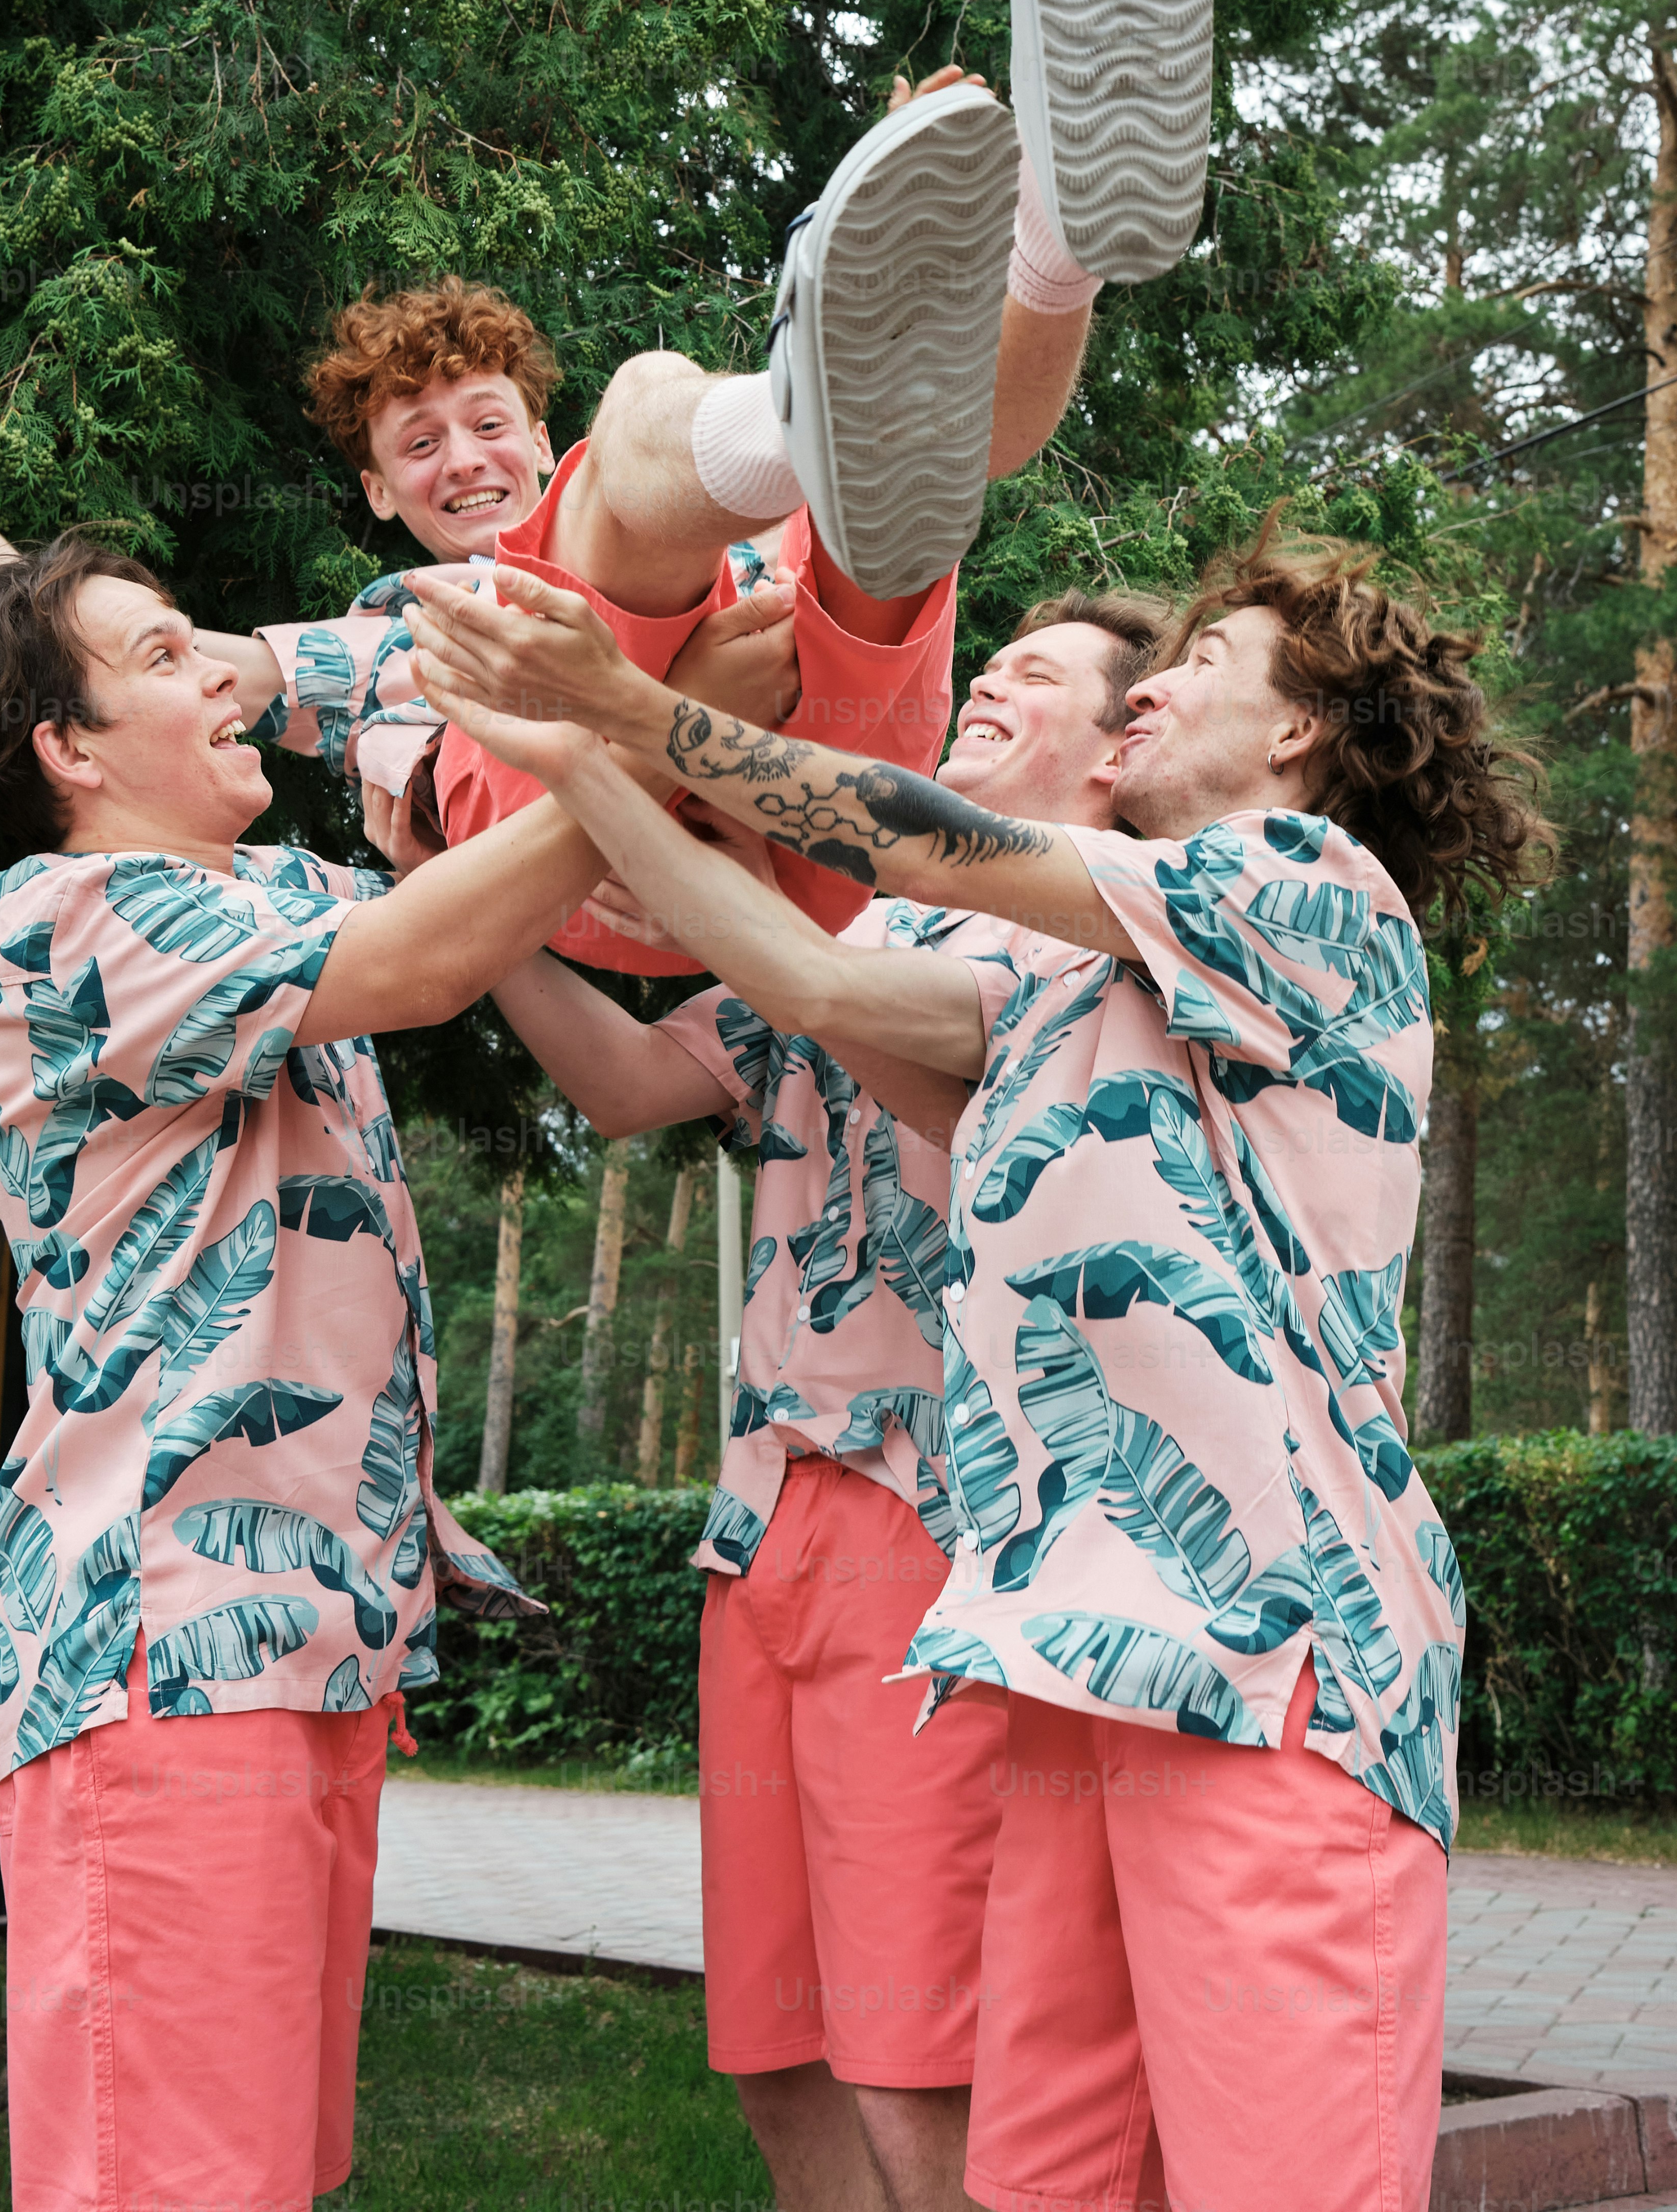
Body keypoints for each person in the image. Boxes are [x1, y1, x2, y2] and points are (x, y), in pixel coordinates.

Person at [395, 516, 1550, 2212]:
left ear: (1302, 734)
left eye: (1201, 666)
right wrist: (568, 756)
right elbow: (797, 972)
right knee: (1046, 2182)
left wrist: (643, 720)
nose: (1152, 686)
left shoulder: (1303, 886)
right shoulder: (1071, 997)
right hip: (1073, 1667)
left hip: (1277, 1673)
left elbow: (920, 851)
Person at [0, 0, 1219, 978]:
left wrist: (957, 277)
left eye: (489, 422)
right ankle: (831, 381)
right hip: (580, 850)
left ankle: (1058, 241)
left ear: (535, 442)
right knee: (659, 397)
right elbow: (44, 644)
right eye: (415, 444)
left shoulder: (728, 546)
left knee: (897, 499)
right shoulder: (386, 638)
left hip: (829, 823)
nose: (465, 458)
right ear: (375, 494)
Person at [0, 530, 639, 2212]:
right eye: (162, 659)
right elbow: (438, 954)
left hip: (312, 1639)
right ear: (67, 755)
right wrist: (638, 741)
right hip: (169, 1642)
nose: (215, 670)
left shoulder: (274, 898)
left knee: (264, 2177)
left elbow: (439, 739)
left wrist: (633, 671)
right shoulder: (70, 920)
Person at [442, 588, 1166, 2212]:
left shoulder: (1095, 946)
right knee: (777, 2047)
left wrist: (593, 751)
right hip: (765, 1528)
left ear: (1125, 749)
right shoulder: (848, 940)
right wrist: (454, 905)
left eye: (1032, 676)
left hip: (937, 1530)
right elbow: (629, 1083)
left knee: (925, 2062)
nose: (983, 689)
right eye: (982, 667)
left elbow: (845, 1017)